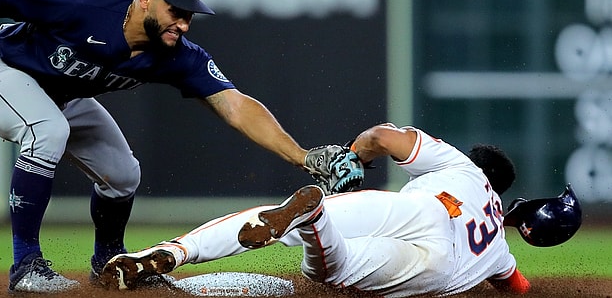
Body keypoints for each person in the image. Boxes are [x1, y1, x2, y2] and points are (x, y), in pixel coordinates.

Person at [0, 0, 320, 293]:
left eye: (189, 14)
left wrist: (302, 156)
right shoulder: (81, 4)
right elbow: (3, 0)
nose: (182, 22)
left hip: (61, 95)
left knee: (123, 173)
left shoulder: (177, 55)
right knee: (47, 132)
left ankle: (107, 260)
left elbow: (236, 105)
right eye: (175, 10)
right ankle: (26, 266)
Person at [100, 122, 533, 297]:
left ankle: (172, 253)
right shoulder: (497, 237)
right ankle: (315, 222)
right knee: (332, 271)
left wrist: (354, 157)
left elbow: (382, 137)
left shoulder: (460, 164)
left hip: (421, 210)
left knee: (280, 217)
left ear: (478, 165)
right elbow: (517, 288)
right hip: (444, 267)